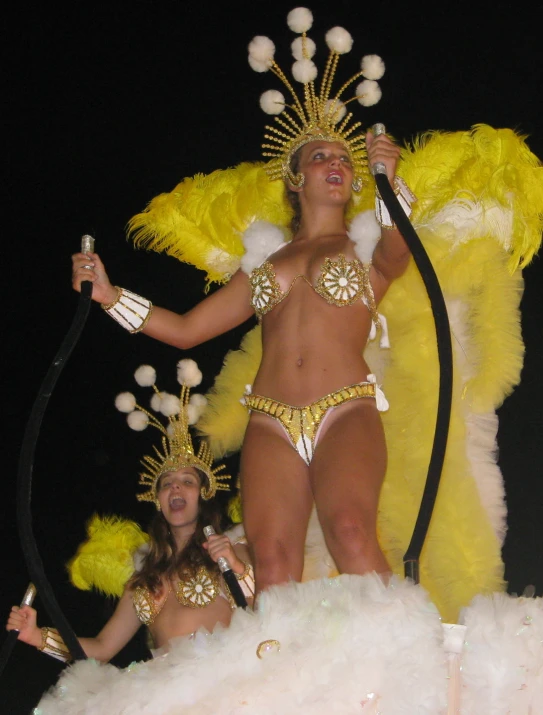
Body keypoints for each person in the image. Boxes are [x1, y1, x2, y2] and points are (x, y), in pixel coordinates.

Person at [70, 11, 413, 595]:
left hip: (345, 409)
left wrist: (390, 184)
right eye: (319, 158)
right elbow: (183, 330)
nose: (335, 164)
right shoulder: (264, 263)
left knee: (351, 531)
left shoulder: (365, 245)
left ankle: (415, 670)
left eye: (343, 159)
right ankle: (290, 682)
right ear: (295, 177)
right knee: (274, 568)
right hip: (271, 420)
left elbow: (399, 257)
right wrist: (109, 296)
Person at [6, 361, 255, 663]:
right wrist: (37, 636)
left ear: (203, 495)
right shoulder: (142, 579)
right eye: (167, 484)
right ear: (158, 499)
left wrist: (236, 568)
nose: (176, 489)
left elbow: (265, 613)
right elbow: (101, 648)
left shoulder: (232, 549)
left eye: (187, 482)